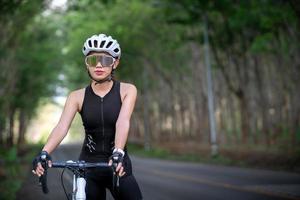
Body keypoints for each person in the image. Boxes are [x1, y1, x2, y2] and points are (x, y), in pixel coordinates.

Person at [32, 33, 143, 200]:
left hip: (118, 164)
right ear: (86, 64)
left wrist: (118, 151)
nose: (98, 65)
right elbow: (62, 126)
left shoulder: (127, 90)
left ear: (115, 63)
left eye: (105, 60)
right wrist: (44, 152)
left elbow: (123, 121)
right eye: (92, 60)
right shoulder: (76, 96)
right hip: (88, 168)